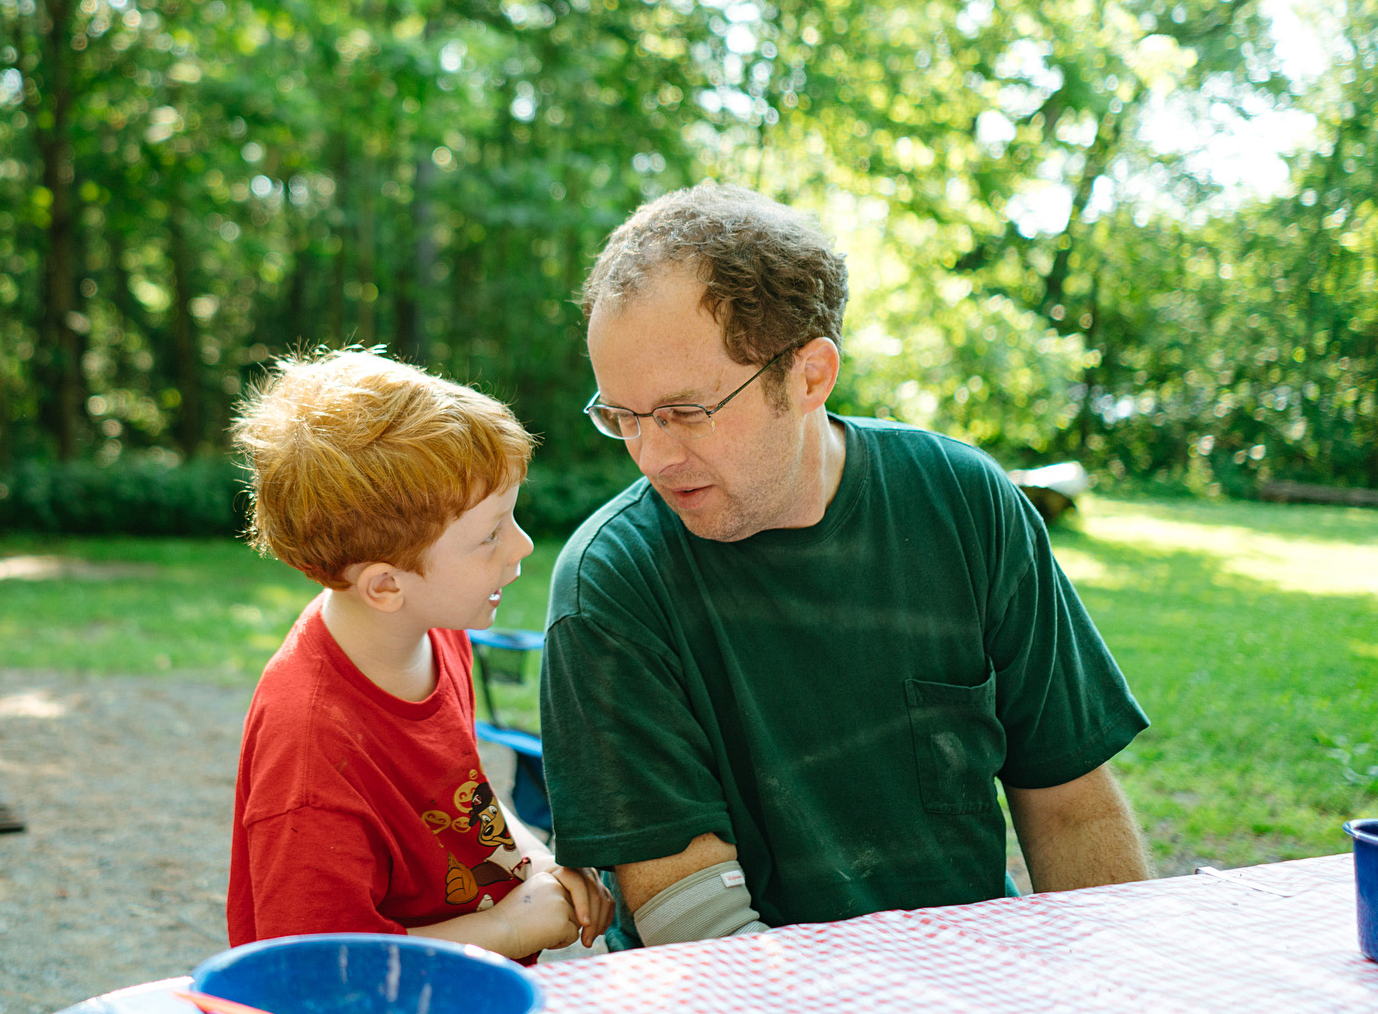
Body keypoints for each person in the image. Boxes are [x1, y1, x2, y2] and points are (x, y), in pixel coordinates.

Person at [540, 184, 1151, 951]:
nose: (653, 455)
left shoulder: (963, 503)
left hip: (974, 981)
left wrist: (1124, 981)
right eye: (622, 417)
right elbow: (694, 923)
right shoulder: (613, 581)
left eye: (685, 412)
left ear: (809, 375)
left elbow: (1072, 804)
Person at [226, 348, 614, 960]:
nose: (523, 545)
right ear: (385, 586)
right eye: (489, 535)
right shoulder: (311, 749)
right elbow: (315, 965)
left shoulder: (434, 631)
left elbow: (463, 797)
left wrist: (537, 863)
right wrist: (509, 930)